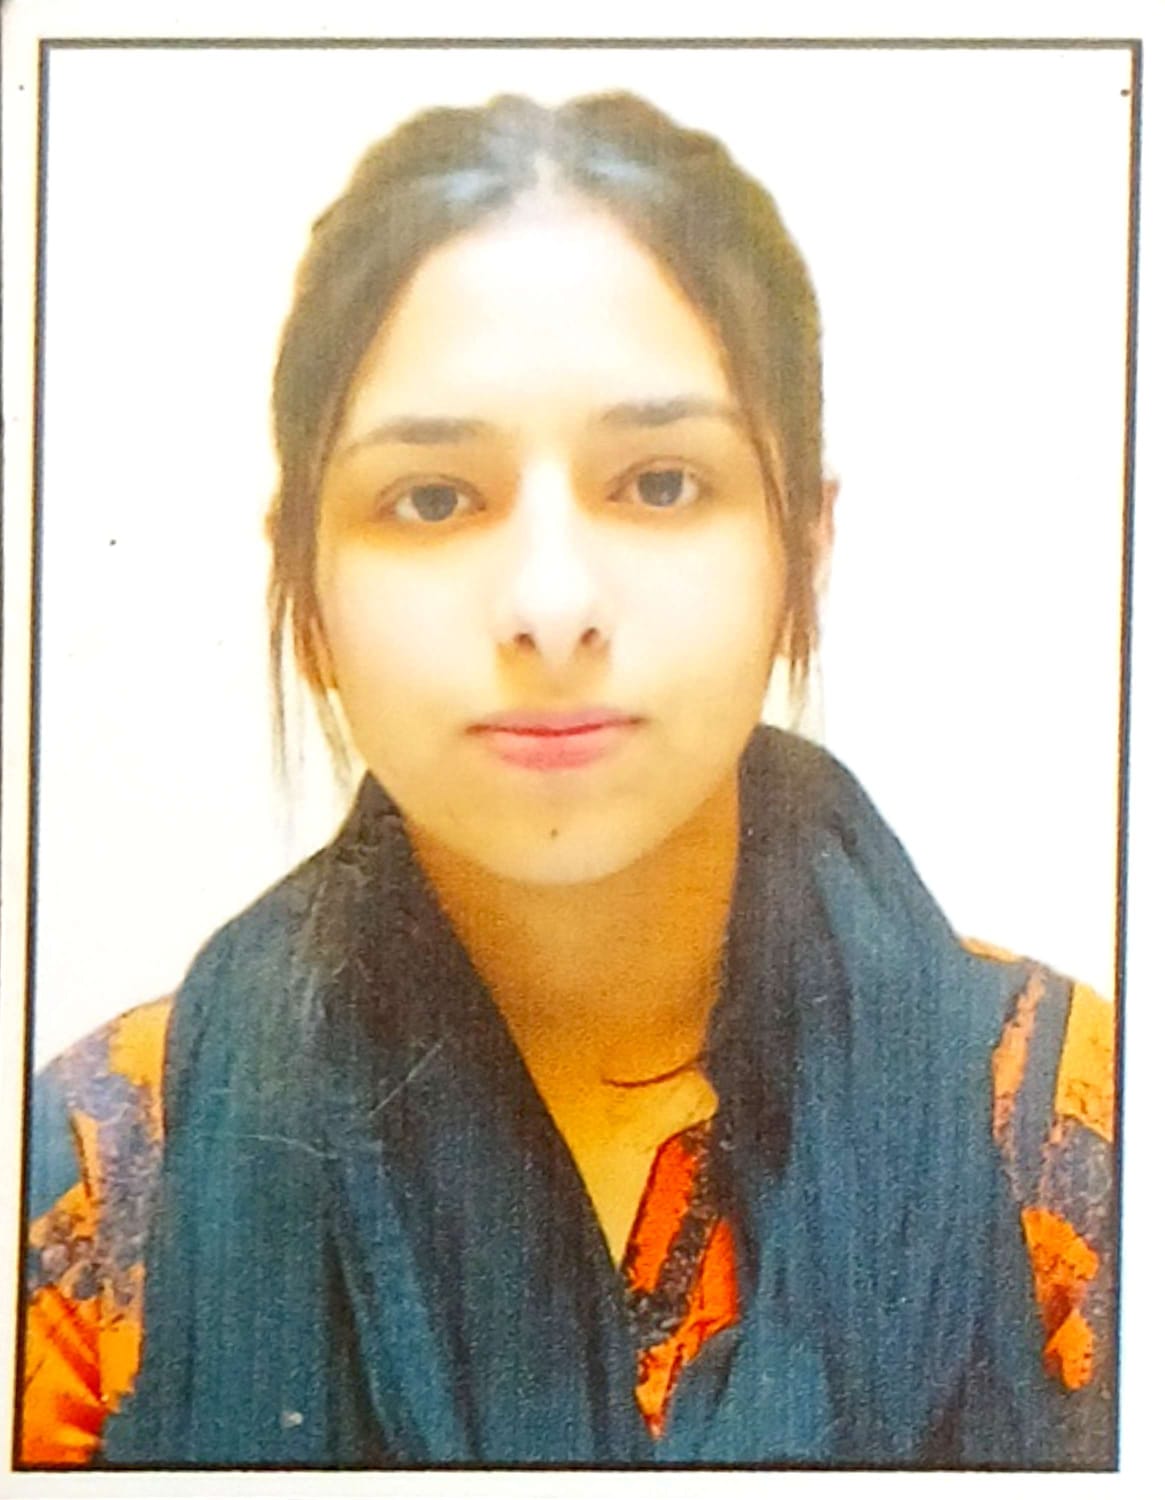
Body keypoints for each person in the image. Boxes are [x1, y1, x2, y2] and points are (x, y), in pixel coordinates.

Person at [19, 91, 1115, 1468]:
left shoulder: (1071, 1139)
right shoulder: (95, 1193)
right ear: (304, 571)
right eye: (432, 498)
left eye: (659, 484)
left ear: (805, 546)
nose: (549, 604)